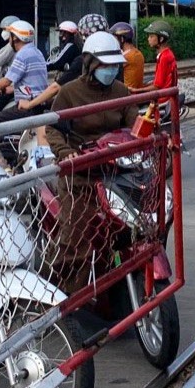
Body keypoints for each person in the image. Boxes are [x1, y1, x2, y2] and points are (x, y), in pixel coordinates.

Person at [44, 32, 142, 293]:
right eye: (105, 65)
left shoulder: (120, 91)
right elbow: (53, 129)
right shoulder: (69, 92)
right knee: (77, 239)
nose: (110, 71)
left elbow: (134, 123)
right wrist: (66, 152)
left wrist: (150, 136)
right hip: (80, 174)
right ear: (90, 64)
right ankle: (69, 296)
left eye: (114, 66)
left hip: (114, 172)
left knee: (135, 229)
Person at [0, 21, 50, 127]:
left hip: (27, 107)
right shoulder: (37, 52)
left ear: (15, 38)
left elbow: (6, 81)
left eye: (10, 36)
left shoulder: (22, 55)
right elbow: (29, 81)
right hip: (39, 103)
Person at [131, 19, 178, 102]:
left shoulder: (164, 57)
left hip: (163, 99)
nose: (148, 39)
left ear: (161, 39)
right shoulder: (166, 54)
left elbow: (157, 86)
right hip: (167, 96)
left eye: (151, 36)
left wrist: (136, 90)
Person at [111, 22, 146, 90]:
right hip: (136, 95)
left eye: (115, 38)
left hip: (127, 94)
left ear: (122, 39)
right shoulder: (137, 53)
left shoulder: (127, 57)